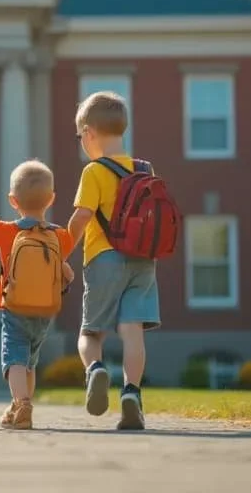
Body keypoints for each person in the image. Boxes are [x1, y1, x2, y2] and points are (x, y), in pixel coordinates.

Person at [65, 91, 161, 431]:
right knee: (132, 328)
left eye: (80, 136)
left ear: (90, 133)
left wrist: (62, 252)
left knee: (91, 332)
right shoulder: (144, 169)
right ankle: (132, 393)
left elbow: (81, 218)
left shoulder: (94, 172)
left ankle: (96, 370)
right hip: (143, 260)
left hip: (104, 259)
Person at [0, 160, 75, 429]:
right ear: (50, 200)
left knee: (14, 358)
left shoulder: (9, 231)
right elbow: (68, 274)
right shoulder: (59, 236)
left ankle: (22, 402)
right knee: (30, 362)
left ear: (13, 201)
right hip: (45, 311)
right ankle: (20, 404)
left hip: (15, 307)